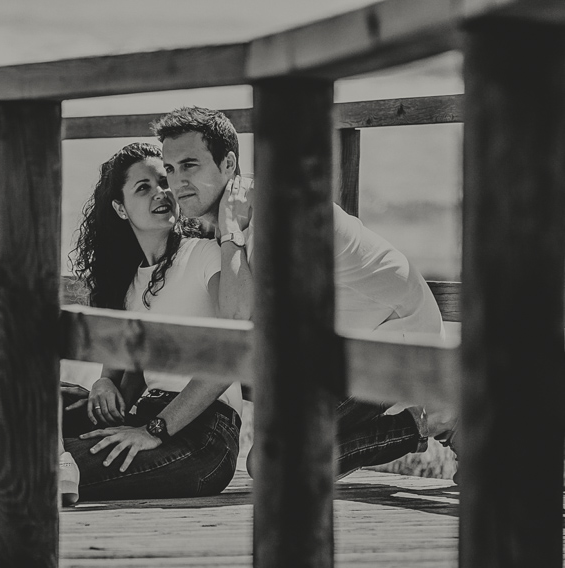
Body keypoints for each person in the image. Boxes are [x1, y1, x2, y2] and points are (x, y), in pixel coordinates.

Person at [151, 106, 458, 479]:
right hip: (337, 350)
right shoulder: (230, 221)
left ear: (229, 163)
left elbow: (235, 322)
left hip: (398, 344)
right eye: (169, 169)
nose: (176, 182)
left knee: (271, 465)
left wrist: (230, 233)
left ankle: (434, 419)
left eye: (190, 166)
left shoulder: (276, 215)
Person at [0, 142, 243, 505]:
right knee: (37, 389)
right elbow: (118, 375)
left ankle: (49, 472)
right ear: (120, 208)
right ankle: (50, 467)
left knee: (29, 469)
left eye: (165, 182)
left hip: (203, 436)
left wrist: (154, 430)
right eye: (143, 188)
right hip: (145, 415)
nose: (162, 193)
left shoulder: (204, 254)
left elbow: (231, 353)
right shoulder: (130, 285)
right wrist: (104, 383)